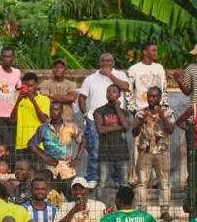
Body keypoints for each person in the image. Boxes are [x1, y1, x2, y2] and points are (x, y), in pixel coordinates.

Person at [78, 53, 129, 182]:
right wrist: (85, 115)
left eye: (109, 61)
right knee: (95, 150)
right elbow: (82, 97)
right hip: (94, 119)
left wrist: (110, 75)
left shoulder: (120, 75)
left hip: (116, 118)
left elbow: (126, 87)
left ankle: (115, 182)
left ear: (113, 62)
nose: (106, 63)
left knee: (116, 151)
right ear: (99, 62)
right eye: (103, 61)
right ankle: (93, 180)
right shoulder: (90, 78)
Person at [133, 86, 174, 220]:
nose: (152, 99)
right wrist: (139, 122)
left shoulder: (167, 111)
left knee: (164, 182)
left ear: (160, 97)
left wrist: (162, 115)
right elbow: (134, 133)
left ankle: (165, 211)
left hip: (162, 152)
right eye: (150, 96)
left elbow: (171, 129)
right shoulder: (141, 113)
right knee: (142, 182)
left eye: (155, 96)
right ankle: (141, 210)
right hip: (145, 153)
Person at [27, 101, 82, 194]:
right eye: (51, 109)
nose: (53, 112)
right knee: (52, 197)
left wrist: (78, 158)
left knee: (71, 198)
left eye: (56, 109)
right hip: (50, 169)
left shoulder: (71, 126)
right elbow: (31, 144)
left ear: (61, 111)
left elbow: (83, 141)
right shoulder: (43, 128)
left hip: (68, 169)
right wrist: (44, 156)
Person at [95, 84, 131, 204]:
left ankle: (124, 207)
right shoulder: (99, 111)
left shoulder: (124, 112)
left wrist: (117, 109)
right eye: (108, 91)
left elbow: (126, 127)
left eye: (114, 91)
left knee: (124, 184)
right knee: (102, 183)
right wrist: (119, 126)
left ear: (119, 95)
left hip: (122, 153)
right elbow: (100, 129)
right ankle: (100, 207)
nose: (111, 93)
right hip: (105, 154)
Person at [12, 72, 49, 162]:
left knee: (37, 173)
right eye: (25, 86)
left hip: (37, 145)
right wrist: (18, 101)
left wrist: (33, 101)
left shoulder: (44, 99)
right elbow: (12, 120)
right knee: (21, 172)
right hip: (21, 144)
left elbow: (43, 119)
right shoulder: (19, 100)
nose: (28, 89)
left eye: (31, 86)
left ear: (37, 84)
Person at [126, 42, 166, 112]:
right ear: (145, 52)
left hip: (158, 110)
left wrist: (164, 106)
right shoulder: (134, 69)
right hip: (141, 109)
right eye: (153, 50)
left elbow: (164, 89)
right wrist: (134, 110)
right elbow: (129, 92)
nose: (156, 53)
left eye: (156, 50)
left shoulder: (160, 68)